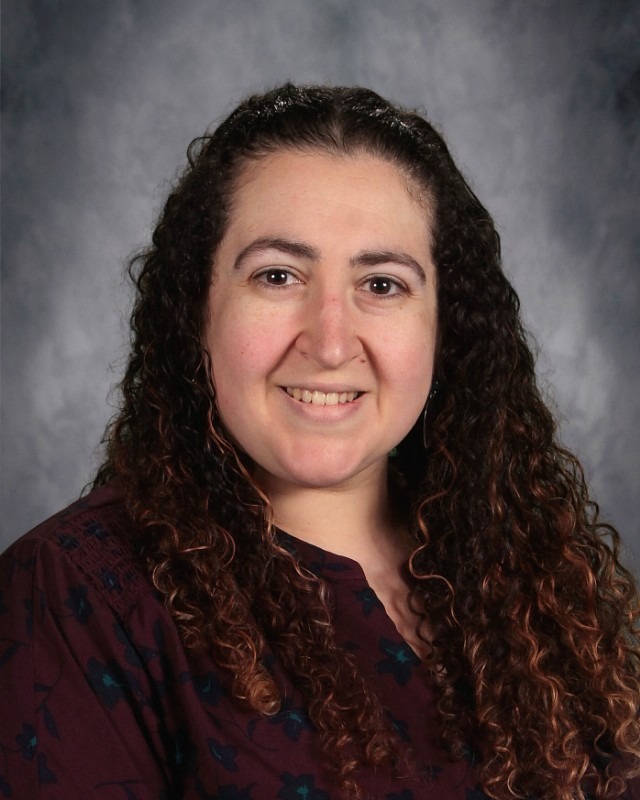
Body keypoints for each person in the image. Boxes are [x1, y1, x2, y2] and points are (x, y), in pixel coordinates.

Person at [1, 83, 638, 800]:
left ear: (444, 328)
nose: (331, 343)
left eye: (383, 284)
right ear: (197, 313)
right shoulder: (76, 592)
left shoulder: (523, 580)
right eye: (278, 276)